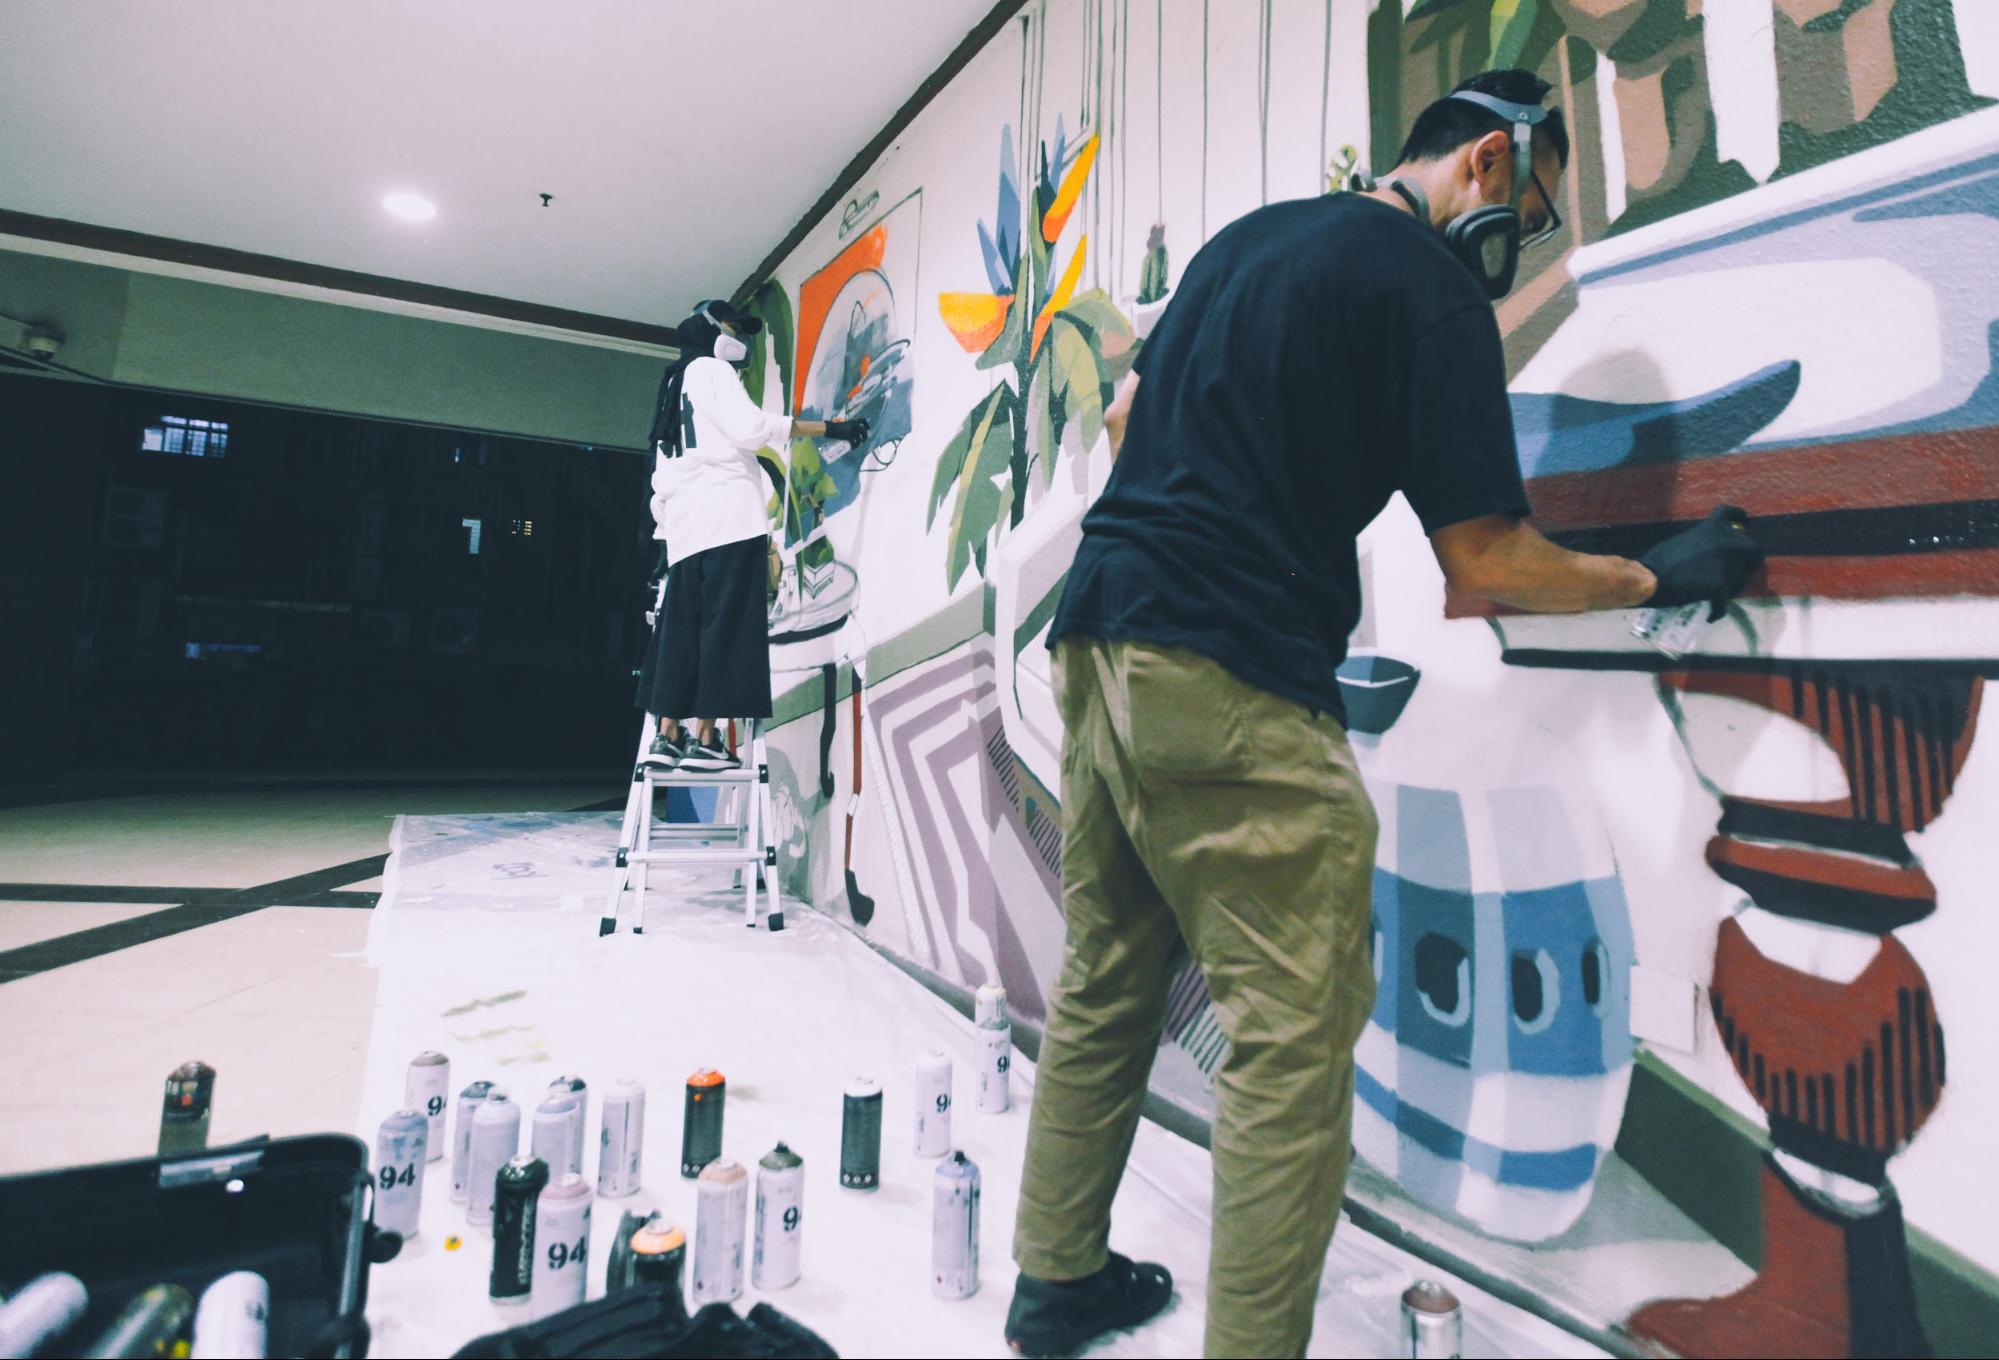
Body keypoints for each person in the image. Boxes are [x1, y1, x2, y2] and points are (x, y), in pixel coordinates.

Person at [1002, 69, 1764, 1359]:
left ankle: (1055, 1279)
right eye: (1530, 209)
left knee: (1105, 979)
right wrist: (1653, 577)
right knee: (1294, 1038)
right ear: (1485, 159)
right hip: (1231, 665)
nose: (1520, 241)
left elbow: (1128, 413)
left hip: (1100, 634)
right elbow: (1486, 560)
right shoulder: (1427, 287)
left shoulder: (1248, 241)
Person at [634, 299, 866, 771]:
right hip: (730, 518)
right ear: (711, 329)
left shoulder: (672, 384)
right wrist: (830, 427)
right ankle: (706, 739)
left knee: (682, 630)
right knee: (727, 625)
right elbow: (751, 429)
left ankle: (667, 735)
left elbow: (660, 471)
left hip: (685, 531)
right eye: (734, 328)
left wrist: (667, 531)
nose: (741, 339)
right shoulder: (714, 370)